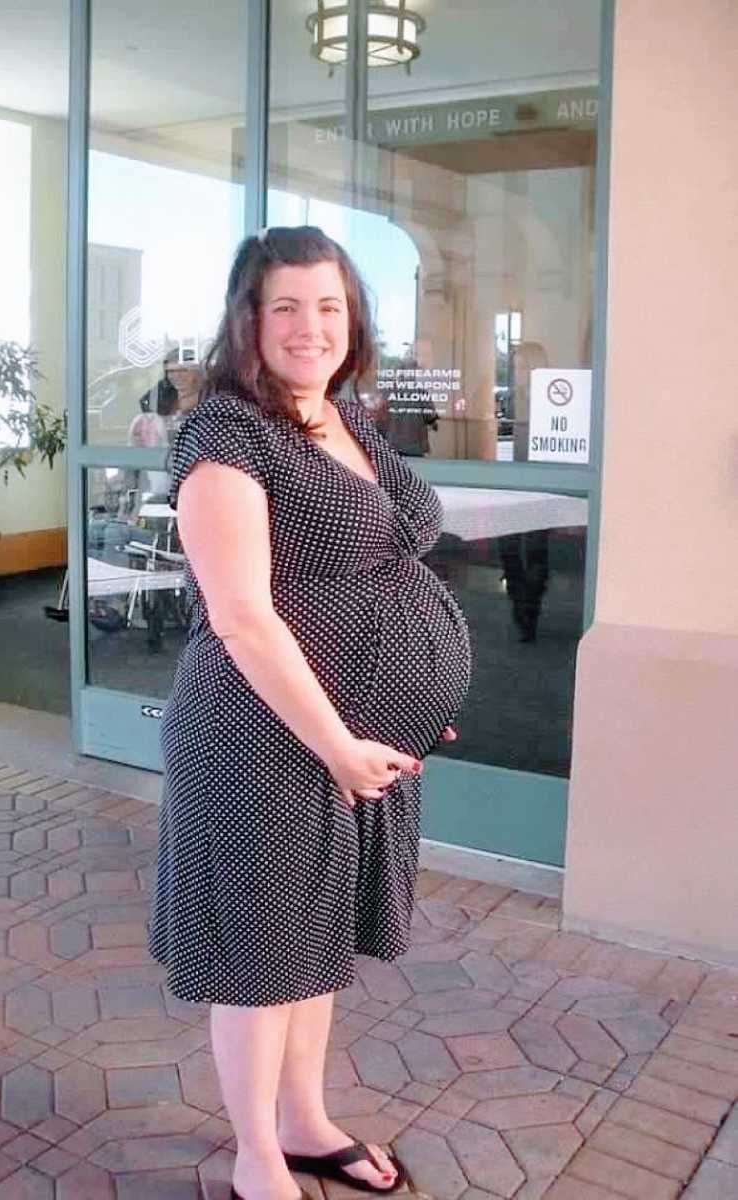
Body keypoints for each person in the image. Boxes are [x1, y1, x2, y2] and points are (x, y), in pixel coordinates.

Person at [148, 226, 471, 1200]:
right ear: (247, 317)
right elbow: (243, 616)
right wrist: (338, 741)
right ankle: (257, 1155)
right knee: (263, 957)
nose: (309, 325)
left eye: (328, 305)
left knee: (315, 948)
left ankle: (306, 1121)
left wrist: (409, 702)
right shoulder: (226, 434)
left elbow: (379, 560)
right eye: (285, 305)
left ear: (353, 317)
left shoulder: (340, 417)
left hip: (349, 743)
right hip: (260, 737)